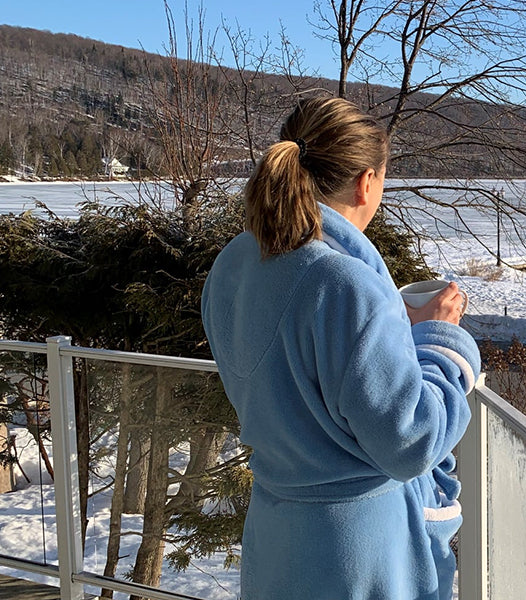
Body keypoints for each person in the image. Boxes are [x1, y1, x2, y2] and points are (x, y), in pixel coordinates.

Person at [201, 96, 478, 600]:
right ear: (366, 182)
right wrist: (438, 339)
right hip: (356, 553)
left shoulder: (236, 263)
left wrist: (391, 324)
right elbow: (411, 440)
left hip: (277, 535)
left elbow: (298, 366)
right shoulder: (342, 282)